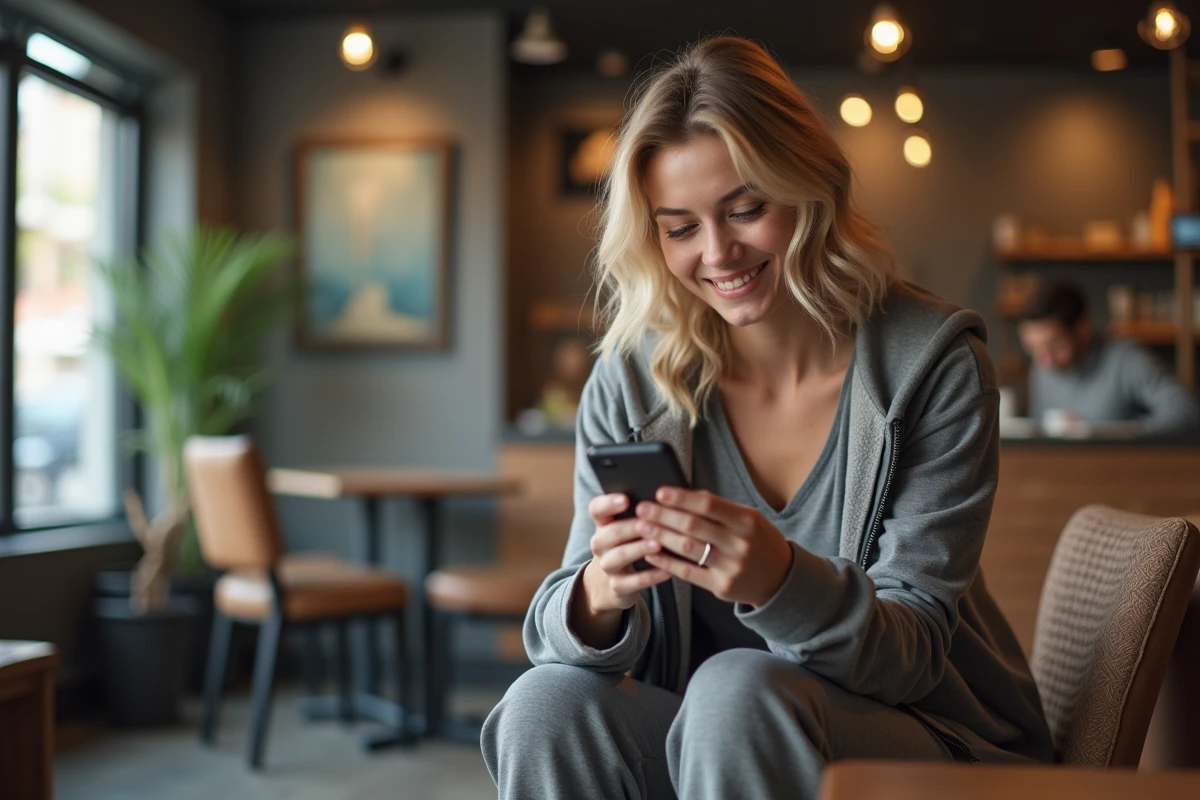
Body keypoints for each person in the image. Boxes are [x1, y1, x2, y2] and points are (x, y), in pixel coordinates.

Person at [481, 36, 1053, 800]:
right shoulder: (633, 377)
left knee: (738, 690)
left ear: (808, 190)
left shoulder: (933, 364)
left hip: (922, 730)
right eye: (679, 227)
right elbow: (552, 623)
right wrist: (597, 595)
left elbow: (914, 652)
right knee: (542, 706)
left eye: (746, 209)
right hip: (716, 731)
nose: (718, 252)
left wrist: (779, 580)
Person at [1018, 281, 1200, 435]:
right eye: (1033, 348)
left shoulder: (1127, 360)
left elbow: (1186, 410)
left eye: (1055, 346)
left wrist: (1123, 434)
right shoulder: (1041, 367)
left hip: (1123, 471)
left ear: (1083, 330)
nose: (1044, 360)